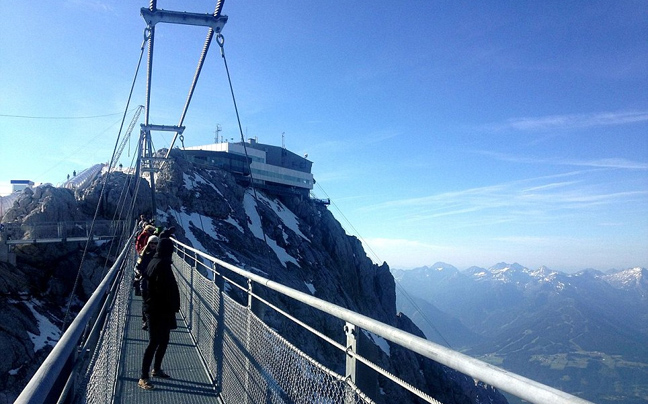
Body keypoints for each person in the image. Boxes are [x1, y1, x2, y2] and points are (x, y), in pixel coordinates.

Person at [138, 238, 180, 390]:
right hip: (156, 309)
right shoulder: (161, 264)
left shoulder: (157, 260)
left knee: (164, 340)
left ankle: (156, 369)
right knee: (154, 341)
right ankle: (143, 377)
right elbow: (163, 288)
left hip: (160, 308)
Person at [134, 236, 159, 329]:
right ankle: (145, 321)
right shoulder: (143, 253)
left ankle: (151, 321)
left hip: (155, 282)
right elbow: (137, 266)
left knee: (154, 302)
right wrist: (139, 273)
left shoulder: (159, 254)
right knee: (145, 302)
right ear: (148, 243)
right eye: (152, 243)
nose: (153, 245)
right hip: (145, 281)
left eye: (156, 243)